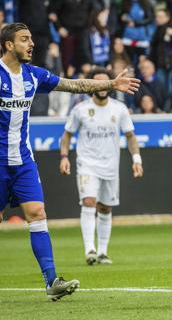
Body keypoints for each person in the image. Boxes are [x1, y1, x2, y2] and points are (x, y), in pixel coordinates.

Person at [0, 23, 140, 303]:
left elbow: (73, 84)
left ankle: (52, 281)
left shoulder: (33, 74)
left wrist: (111, 84)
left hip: (24, 160)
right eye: (24, 40)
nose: (31, 44)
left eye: (31, 39)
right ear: (8, 45)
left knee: (38, 213)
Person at [59, 67, 144, 265]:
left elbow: (130, 136)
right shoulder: (80, 110)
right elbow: (67, 135)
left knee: (105, 208)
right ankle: (90, 249)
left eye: (106, 82)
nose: (102, 86)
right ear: (91, 86)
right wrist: (64, 156)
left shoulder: (119, 109)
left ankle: (103, 252)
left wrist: (137, 159)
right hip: (87, 164)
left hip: (110, 166)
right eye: (97, 82)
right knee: (89, 202)